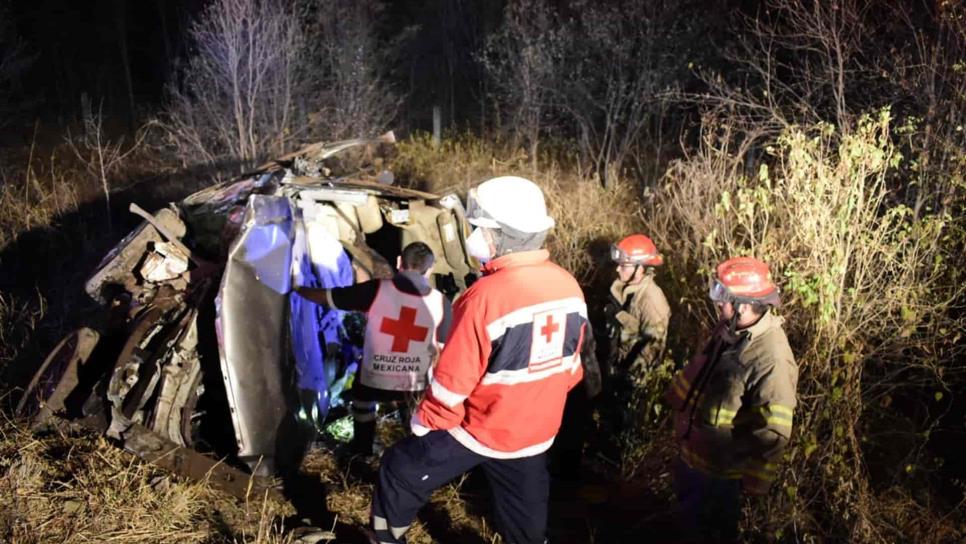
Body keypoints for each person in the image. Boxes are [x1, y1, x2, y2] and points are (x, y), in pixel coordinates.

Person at [368, 176, 593, 544]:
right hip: (536, 434)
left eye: (477, 227)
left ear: (496, 235)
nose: (474, 234)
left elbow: (452, 384)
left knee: (400, 469)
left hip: (481, 428)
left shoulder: (485, 297)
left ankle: (385, 539)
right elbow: (571, 370)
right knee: (526, 525)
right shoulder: (568, 286)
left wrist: (425, 422)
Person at [666, 256, 798, 543]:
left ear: (745, 305)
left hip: (720, 475)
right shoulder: (729, 330)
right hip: (694, 457)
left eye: (723, 297)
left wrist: (755, 481)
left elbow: (774, 430)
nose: (717, 303)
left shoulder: (771, 356)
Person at [296, 241, 453, 456]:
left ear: (399, 262)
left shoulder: (377, 289)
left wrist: (297, 289)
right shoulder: (442, 302)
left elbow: (330, 298)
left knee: (361, 398)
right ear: (431, 268)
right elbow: (442, 352)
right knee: (413, 408)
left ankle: (362, 450)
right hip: (413, 384)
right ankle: (414, 451)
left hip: (373, 380)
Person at [603, 233, 670, 382]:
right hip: (612, 366)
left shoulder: (651, 300)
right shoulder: (623, 288)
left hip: (627, 380)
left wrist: (626, 382)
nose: (617, 270)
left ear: (640, 269)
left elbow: (652, 350)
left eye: (623, 266)